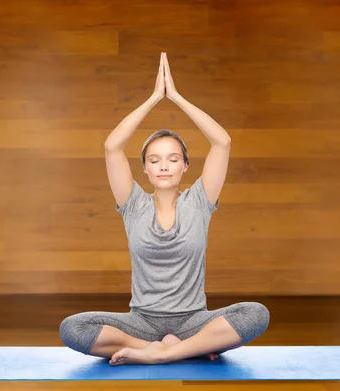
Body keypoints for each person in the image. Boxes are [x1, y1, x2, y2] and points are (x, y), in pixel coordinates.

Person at [59, 52, 269, 366]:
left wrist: (177, 97)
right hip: (142, 322)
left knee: (255, 314)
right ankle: (178, 348)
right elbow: (112, 146)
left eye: (173, 159)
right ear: (144, 169)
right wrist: (155, 98)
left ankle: (164, 352)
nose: (164, 166)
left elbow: (222, 142)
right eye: (154, 160)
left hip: (192, 320)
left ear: (185, 166)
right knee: (72, 328)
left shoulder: (199, 201)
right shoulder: (133, 204)